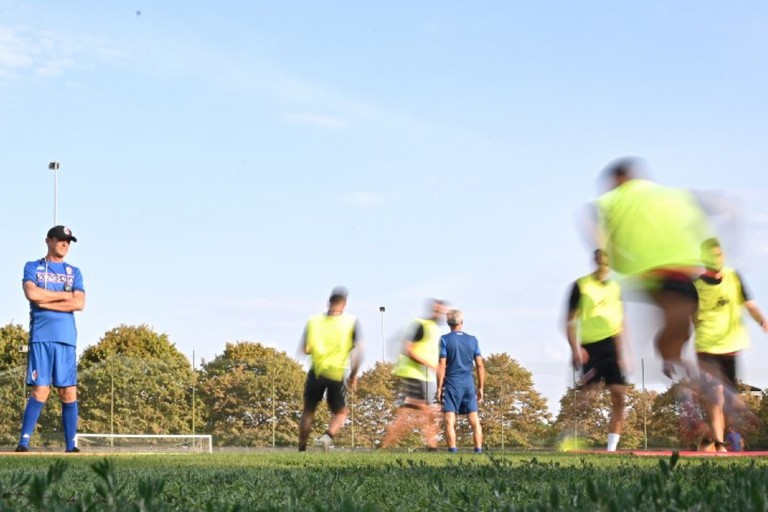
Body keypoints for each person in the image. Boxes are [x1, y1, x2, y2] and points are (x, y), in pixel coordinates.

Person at [594, 158, 712, 377]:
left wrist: (607, 252)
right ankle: (675, 362)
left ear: (619, 179)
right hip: (686, 277)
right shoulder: (670, 196)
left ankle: (674, 360)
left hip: (658, 277)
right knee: (678, 328)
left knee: (675, 333)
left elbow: (590, 220)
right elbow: (705, 208)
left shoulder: (618, 197)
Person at [693, 238, 768, 452]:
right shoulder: (696, 287)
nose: (717, 259)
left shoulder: (734, 278)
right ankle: (719, 445)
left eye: (719, 254)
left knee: (730, 402)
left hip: (731, 348)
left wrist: (762, 320)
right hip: (706, 348)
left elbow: (750, 305)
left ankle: (709, 438)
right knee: (714, 397)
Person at [17, 225, 86, 453]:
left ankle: (71, 446)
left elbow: (79, 303)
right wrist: (64, 296)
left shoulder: (73, 272)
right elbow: (32, 294)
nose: (65, 244)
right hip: (41, 338)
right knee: (40, 391)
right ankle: (24, 442)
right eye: (61, 240)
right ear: (48, 241)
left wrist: (47, 301)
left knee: (68, 392)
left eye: (68, 241)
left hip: (66, 340)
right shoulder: (33, 267)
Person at [565, 249, 627, 451]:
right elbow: (569, 322)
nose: (604, 267)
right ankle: (566, 432)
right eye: (600, 262)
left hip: (612, 347)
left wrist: (624, 353)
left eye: (607, 263)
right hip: (590, 348)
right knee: (587, 397)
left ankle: (611, 448)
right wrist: (575, 349)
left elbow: (620, 322)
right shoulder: (581, 286)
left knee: (619, 396)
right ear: (595, 262)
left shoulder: (616, 288)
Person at [298, 287, 363, 452]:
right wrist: (353, 376)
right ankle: (327, 437)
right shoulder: (351, 322)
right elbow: (358, 352)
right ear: (344, 304)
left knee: (308, 411)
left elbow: (305, 349)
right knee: (341, 412)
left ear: (329, 302)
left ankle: (301, 449)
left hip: (316, 371)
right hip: (336, 373)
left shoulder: (313, 321)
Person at [381, 299, 447, 450]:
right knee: (426, 410)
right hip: (413, 373)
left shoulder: (435, 329)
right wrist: (432, 366)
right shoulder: (421, 325)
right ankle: (432, 445)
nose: (440, 314)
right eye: (437, 310)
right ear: (432, 310)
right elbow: (408, 350)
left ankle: (386, 444)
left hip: (425, 376)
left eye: (442, 311)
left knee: (414, 411)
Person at [436, 309, 484, 453]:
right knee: (474, 420)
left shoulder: (444, 339)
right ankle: (478, 451)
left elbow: (442, 365)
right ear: (462, 322)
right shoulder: (473, 340)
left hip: (452, 384)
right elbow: (480, 365)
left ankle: (453, 451)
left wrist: (439, 388)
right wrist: (481, 387)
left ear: (448, 323)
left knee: (449, 419)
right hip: (468, 385)